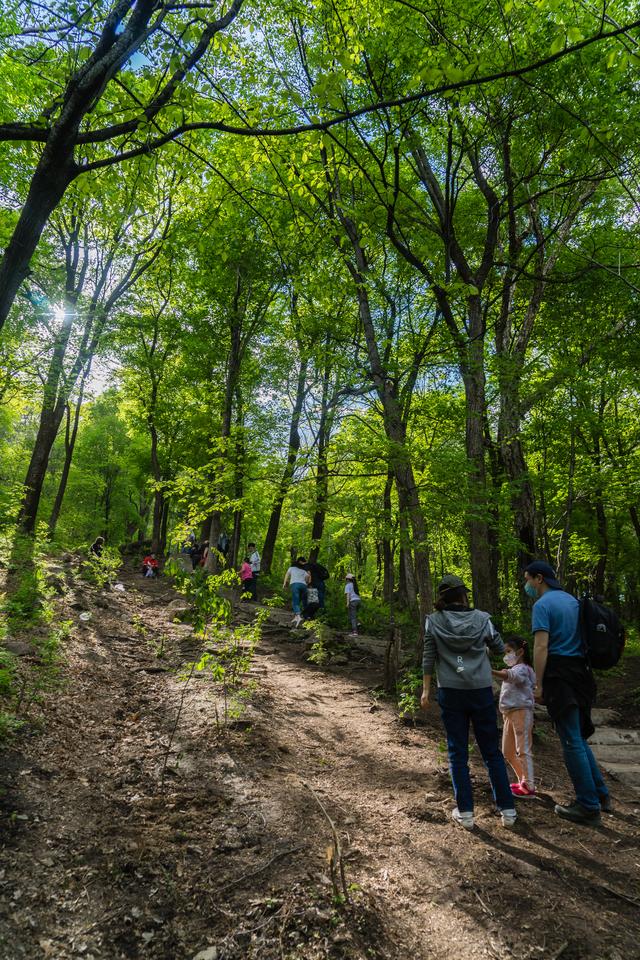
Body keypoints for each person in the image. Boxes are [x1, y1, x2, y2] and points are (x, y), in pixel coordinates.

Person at [421, 574, 517, 831]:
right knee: (491, 752)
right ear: (463, 595)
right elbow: (499, 648)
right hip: (480, 690)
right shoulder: (482, 619)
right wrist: (482, 648)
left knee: (457, 752)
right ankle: (507, 810)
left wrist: (425, 690)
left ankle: (466, 813)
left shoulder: (434, 622)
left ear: (441, 597)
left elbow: (428, 657)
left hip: (451, 691)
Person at [524, 560, 610, 825]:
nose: (526, 584)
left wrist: (537, 684)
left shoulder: (543, 605)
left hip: (560, 676)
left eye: (528, 579)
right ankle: (601, 795)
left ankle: (588, 806)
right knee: (578, 737)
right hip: (582, 676)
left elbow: (541, 647)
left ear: (539, 579)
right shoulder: (573, 601)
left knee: (571, 739)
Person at [492, 634, 537, 798]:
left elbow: (513, 677)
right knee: (508, 751)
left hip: (521, 712)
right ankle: (523, 780)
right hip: (509, 713)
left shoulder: (524, 669)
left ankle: (529, 786)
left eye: (509, 651)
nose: (506, 655)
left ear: (520, 652)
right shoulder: (515, 669)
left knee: (523, 749)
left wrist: (491, 671)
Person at [283, 557, 311, 627]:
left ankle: (298, 617)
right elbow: (308, 579)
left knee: (295, 602)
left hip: (295, 585)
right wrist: (306, 582)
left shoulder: (291, 568)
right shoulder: (303, 571)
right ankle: (301, 617)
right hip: (304, 586)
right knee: (301, 601)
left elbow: (287, 575)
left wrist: (284, 583)